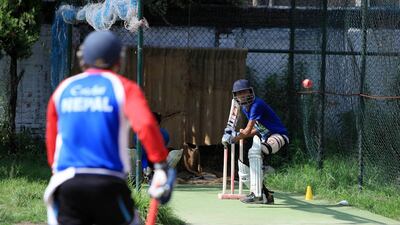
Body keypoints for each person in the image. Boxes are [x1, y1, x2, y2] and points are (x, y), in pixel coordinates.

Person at [44, 30, 174, 225]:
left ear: (82, 58)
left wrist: (57, 170)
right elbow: (146, 125)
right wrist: (160, 165)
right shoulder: (123, 87)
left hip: (67, 184)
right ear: (119, 60)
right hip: (108, 185)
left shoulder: (64, 88)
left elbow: (52, 139)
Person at [222, 79, 289, 204]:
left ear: (250, 92)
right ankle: (266, 195)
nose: (242, 95)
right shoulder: (245, 108)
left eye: (245, 92)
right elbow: (257, 129)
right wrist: (237, 135)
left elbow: (247, 131)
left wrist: (233, 138)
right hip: (266, 137)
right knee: (244, 166)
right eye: (239, 93)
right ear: (235, 96)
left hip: (279, 136)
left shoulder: (256, 104)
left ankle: (257, 192)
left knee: (255, 152)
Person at [134, 112, 170, 182]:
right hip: (142, 160)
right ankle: (139, 176)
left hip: (157, 160)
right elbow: (140, 151)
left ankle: (158, 174)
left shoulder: (164, 134)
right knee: (133, 153)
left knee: (174, 154)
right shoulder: (139, 133)